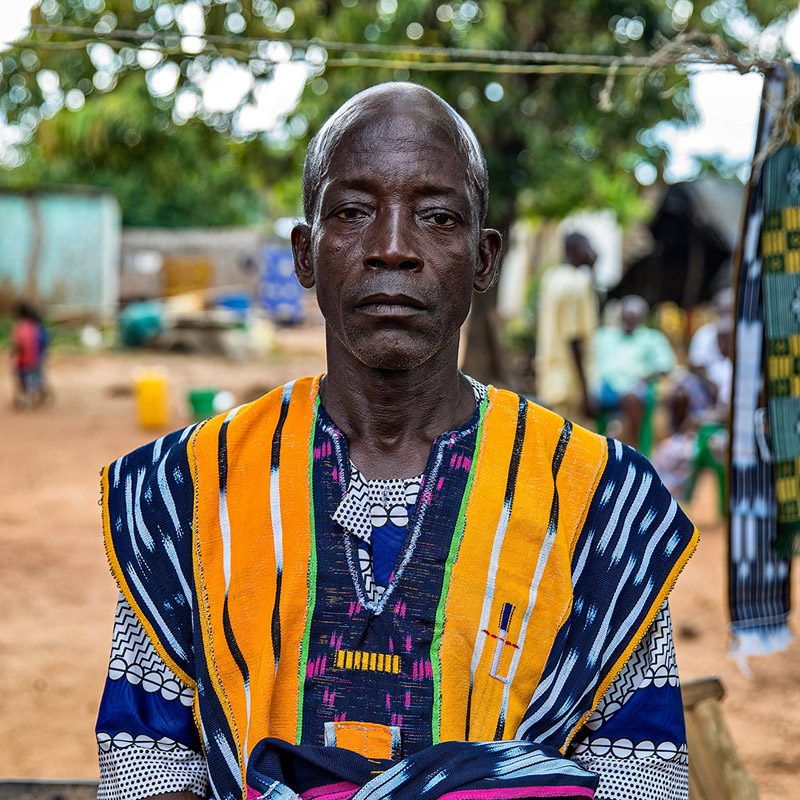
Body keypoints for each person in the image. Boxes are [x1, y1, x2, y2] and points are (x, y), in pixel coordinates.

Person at [97, 84, 697, 800]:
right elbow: (146, 757)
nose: (392, 248)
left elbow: (641, 766)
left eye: (437, 217)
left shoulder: (596, 501)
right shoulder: (193, 488)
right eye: (352, 212)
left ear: (483, 259)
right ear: (305, 254)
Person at [594, 295, 676, 449]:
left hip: (635, 386)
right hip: (606, 385)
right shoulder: (604, 336)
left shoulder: (652, 338)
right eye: (626, 317)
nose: (628, 321)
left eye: (633, 318)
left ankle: (634, 447)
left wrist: (646, 377)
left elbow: (665, 366)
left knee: (632, 400)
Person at [535, 232, 598, 426]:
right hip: (570, 387)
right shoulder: (577, 283)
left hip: (550, 381)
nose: (594, 252)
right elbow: (574, 338)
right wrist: (586, 393)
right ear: (576, 250)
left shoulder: (552, 278)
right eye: (589, 246)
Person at [10, 300, 46, 409]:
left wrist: (14, 354)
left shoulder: (20, 327)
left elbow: (19, 344)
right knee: (33, 378)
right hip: (34, 358)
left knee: (24, 380)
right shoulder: (34, 326)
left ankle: (28, 400)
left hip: (24, 360)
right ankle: (35, 397)